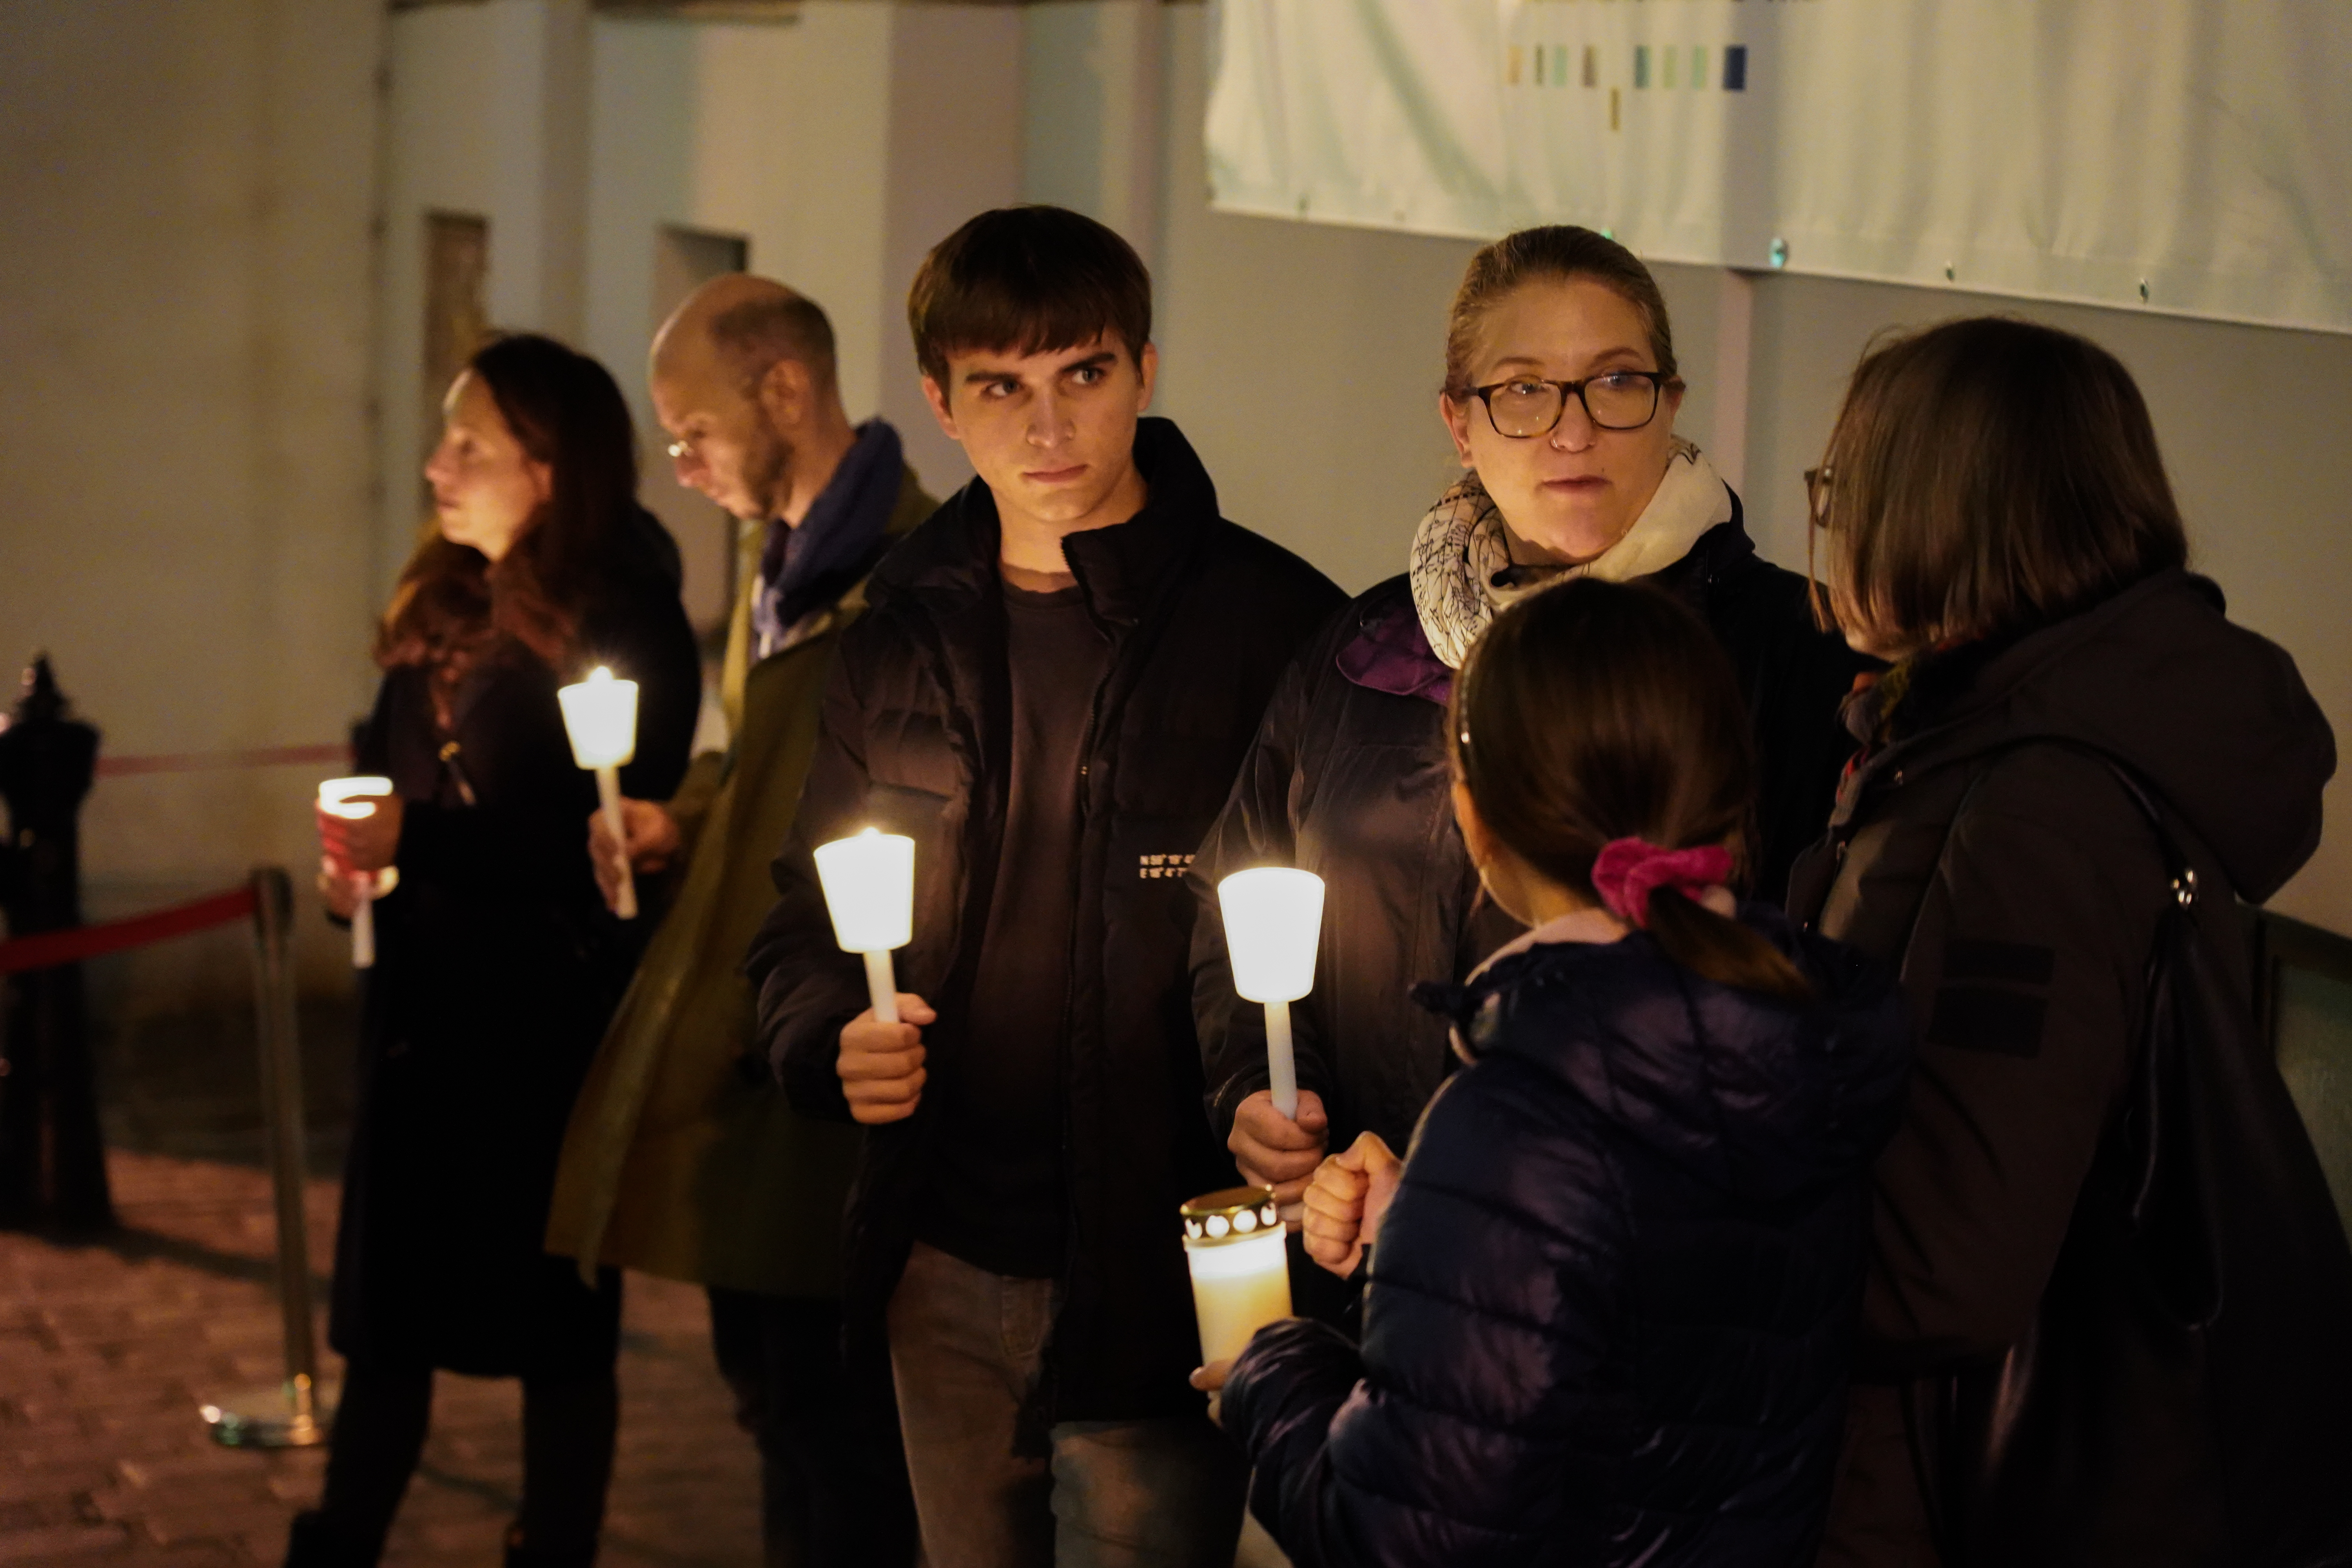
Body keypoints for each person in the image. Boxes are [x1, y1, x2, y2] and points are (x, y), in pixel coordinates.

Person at [745, 205, 1345, 1568]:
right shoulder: (899, 633)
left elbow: (1338, 941)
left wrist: (1285, 1100)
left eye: (1082, 374)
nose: (1048, 424)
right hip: (943, 1254)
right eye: (1002, 388)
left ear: (1144, 367)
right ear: (943, 404)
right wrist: (826, 1039)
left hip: (1165, 1259)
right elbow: (802, 922)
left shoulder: (1273, 627)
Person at [1190, 227, 1867, 1292]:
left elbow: (1807, 986)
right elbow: (1234, 892)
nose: (1572, 430)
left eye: (1615, 383)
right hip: (1358, 1249)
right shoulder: (1368, 649)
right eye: (1522, 391)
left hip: (1624, 1278)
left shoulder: (1784, 653)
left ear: (1672, 401)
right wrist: (1259, 1092)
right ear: (1458, 421)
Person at [1204, 577, 1913, 1566]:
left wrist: (1273, 1369)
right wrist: (1440, 1231)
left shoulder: (1524, 1111)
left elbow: (1400, 1534)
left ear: (1473, 817)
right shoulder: (1797, 1044)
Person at [1788, 317, 2343, 1565]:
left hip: (1943, 1493)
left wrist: (1655, 1240)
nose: (1831, 518)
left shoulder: (2040, 808)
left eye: (1845, 486)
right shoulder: (1970, 746)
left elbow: (1948, 1258)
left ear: (1946, 511)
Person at [288, 334, 700, 1568]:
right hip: (419, 1023)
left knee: (555, 1327)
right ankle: (340, 1539)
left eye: (467, 443)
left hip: (540, 1038)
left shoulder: (622, 618)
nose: (435, 465)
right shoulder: (440, 598)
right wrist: (352, 873)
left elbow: (601, 839)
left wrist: (421, 833)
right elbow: (390, 781)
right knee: (386, 1319)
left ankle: (553, 1547)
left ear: (548, 462)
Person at [544, 274, 930, 1568]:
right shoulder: (781, 564)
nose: (682, 462)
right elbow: (756, 764)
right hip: (743, 1053)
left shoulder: (911, 583)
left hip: (828, 1070)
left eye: (694, 427)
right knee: (773, 1412)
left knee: (844, 1445)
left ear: (785, 389)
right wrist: (685, 815)